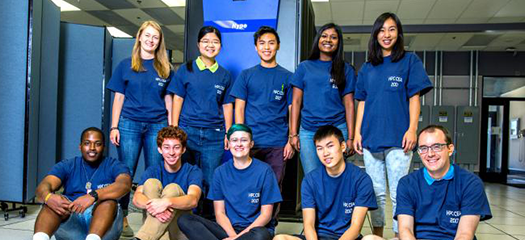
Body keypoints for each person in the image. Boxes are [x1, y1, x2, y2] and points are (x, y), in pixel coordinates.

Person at [353, 12, 433, 237]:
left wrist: (412, 129)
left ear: (398, 33)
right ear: (375, 35)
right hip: (370, 140)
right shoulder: (368, 68)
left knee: (400, 192)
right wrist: (358, 133)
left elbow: (414, 98)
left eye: (391, 29)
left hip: (399, 139)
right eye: (381, 30)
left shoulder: (409, 61)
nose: (386, 35)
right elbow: (362, 103)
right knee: (376, 193)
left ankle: (401, 234)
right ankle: (377, 235)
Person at [362, 125, 492, 240]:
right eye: (423, 148)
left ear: (450, 149)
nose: (430, 154)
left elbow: (464, 235)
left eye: (436, 147)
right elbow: (405, 230)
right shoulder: (407, 183)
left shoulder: (470, 183)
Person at [106, 20, 173, 235]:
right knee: (126, 172)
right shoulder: (126, 65)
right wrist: (114, 126)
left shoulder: (165, 68)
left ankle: (151, 220)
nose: (151, 40)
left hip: (158, 125)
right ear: (140, 37)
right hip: (129, 124)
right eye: (148, 35)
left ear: (159, 41)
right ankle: (122, 217)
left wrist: (171, 130)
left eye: (155, 37)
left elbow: (169, 101)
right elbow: (118, 98)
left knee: (155, 174)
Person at [168, 26, 233, 217]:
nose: (210, 45)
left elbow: (227, 106)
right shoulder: (185, 70)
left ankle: (207, 224)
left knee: (210, 182)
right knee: (185, 179)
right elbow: (177, 99)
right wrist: (174, 130)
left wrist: (229, 133)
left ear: (220, 46)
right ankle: (183, 223)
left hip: (214, 136)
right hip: (187, 133)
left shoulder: (225, 75)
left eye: (215, 42)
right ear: (198, 45)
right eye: (205, 41)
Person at [177, 124, 282, 240]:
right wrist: (233, 236)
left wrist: (237, 238)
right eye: (234, 140)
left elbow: (266, 215)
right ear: (228, 144)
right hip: (228, 229)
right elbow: (220, 213)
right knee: (185, 219)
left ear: (251, 144)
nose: (239, 144)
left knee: (260, 235)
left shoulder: (265, 171)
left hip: (254, 230)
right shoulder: (220, 172)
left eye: (244, 140)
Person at [274, 125, 377, 240]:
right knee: (280, 238)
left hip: (347, 238)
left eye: (330, 146)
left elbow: (355, 227)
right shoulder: (310, 181)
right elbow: (308, 225)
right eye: (319, 148)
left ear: (343, 146)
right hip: (318, 237)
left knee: (371, 239)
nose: (325, 153)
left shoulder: (361, 179)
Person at [32, 127, 131, 240]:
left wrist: (93, 196)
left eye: (97, 144)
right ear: (80, 146)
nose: (92, 148)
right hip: (73, 223)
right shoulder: (68, 165)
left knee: (108, 201)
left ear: (104, 147)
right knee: (52, 203)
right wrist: (48, 197)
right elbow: (43, 187)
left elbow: (124, 185)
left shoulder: (114, 165)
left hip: (105, 226)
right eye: (87, 143)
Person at [230, 26, 294, 191]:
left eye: (271, 43)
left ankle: (271, 218)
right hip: (251, 142)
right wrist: (239, 137)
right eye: (262, 43)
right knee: (248, 187)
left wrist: (291, 140)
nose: (267, 47)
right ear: (256, 47)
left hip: (278, 143)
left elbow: (293, 110)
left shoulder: (288, 76)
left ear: (278, 45)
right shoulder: (246, 75)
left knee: (273, 187)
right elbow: (239, 108)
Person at [290, 23, 356, 175]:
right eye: (324, 36)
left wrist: (351, 137)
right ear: (318, 40)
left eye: (333, 37)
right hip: (308, 131)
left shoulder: (345, 69)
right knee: (313, 177)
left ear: (339, 42)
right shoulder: (304, 67)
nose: (328, 40)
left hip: (338, 129)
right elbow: (296, 102)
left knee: (337, 176)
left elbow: (349, 104)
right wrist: (293, 134)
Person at [131, 126, 202, 240]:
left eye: (176, 147)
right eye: (166, 147)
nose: (171, 152)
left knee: (173, 188)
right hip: (157, 228)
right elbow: (136, 198)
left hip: (180, 229)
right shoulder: (152, 170)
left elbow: (193, 200)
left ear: (183, 149)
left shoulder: (193, 171)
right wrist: (157, 209)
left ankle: (141, 238)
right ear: (160, 149)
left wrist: (167, 202)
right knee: (151, 183)